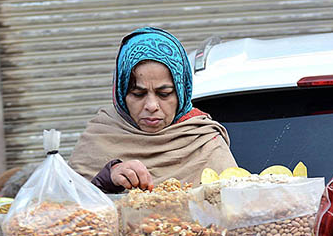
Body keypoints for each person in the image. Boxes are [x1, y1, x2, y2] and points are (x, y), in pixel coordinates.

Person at [69, 27, 237, 192]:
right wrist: (108, 178)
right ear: (121, 94)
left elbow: (238, 208)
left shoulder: (204, 143)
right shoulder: (99, 138)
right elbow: (66, 208)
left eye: (164, 94)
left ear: (181, 94)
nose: (151, 106)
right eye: (138, 93)